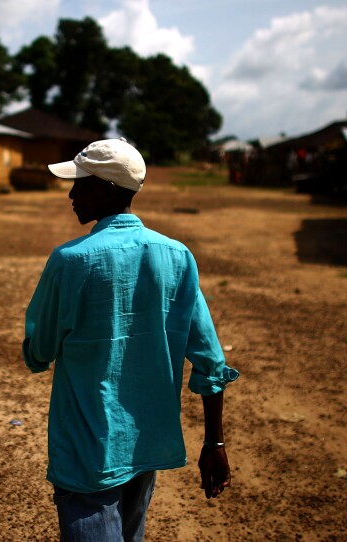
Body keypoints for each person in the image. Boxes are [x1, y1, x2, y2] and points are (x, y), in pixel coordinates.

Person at [22, 138, 240, 542]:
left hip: (87, 450)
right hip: (144, 447)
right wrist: (215, 442)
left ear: (107, 189)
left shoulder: (71, 260)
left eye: (80, 183)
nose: (71, 193)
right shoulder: (176, 256)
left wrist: (36, 347)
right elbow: (210, 361)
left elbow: (38, 352)